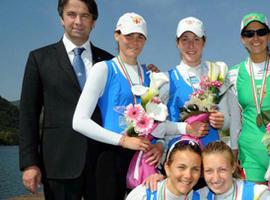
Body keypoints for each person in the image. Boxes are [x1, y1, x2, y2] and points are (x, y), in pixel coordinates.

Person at [19, 0, 113, 199]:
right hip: (58, 162)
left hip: (102, 162)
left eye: (85, 15)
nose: (78, 21)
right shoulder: (39, 58)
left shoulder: (109, 61)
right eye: (71, 14)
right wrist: (29, 163)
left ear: (93, 21)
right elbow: (28, 114)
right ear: (61, 19)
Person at [72, 12, 163, 199]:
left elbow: (160, 120)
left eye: (140, 37)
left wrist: (160, 144)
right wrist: (122, 140)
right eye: (129, 36)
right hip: (111, 158)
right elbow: (79, 121)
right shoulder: (103, 69)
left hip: (145, 159)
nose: (134, 42)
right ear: (117, 35)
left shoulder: (152, 75)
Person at [155, 17, 227, 149]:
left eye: (196, 39)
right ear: (177, 43)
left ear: (204, 42)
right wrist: (186, 128)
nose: (191, 45)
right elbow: (156, 126)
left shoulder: (215, 74)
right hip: (182, 157)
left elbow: (228, 120)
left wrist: (221, 120)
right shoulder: (165, 79)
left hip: (211, 155)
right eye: (185, 39)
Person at [226, 12, 270, 183]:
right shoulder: (234, 74)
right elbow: (235, 119)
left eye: (261, 31)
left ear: (268, 35)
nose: (255, 37)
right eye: (249, 33)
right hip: (251, 152)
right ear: (242, 39)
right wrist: (234, 152)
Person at [126, 137, 202, 200]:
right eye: (181, 167)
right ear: (167, 168)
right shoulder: (142, 196)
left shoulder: (201, 197)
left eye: (195, 169)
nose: (188, 175)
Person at [198, 141, 270, 199]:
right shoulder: (199, 196)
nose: (216, 178)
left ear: (233, 167)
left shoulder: (258, 193)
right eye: (209, 171)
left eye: (222, 170)